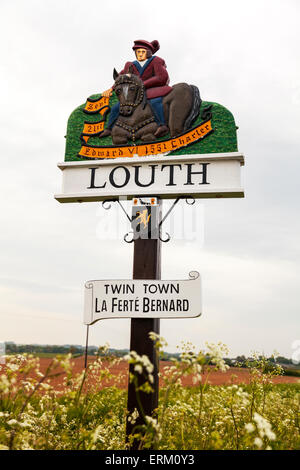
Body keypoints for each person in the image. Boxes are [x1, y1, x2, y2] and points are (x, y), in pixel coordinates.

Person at [101, 39, 172, 138]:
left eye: (143, 52)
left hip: (151, 89)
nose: (140, 54)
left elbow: (161, 77)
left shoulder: (156, 61)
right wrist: (111, 89)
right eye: (138, 52)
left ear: (148, 52)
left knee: (155, 102)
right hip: (133, 92)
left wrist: (142, 84)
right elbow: (121, 78)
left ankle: (162, 125)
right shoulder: (131, 65)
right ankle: (109, 128)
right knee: (116, 107)